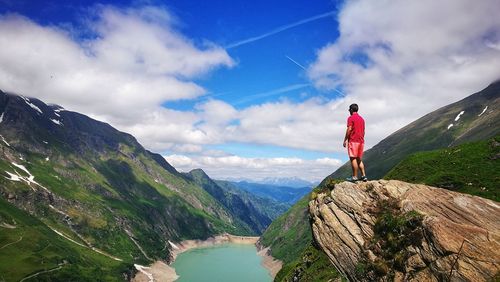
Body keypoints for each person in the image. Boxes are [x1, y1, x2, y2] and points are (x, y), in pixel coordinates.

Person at [343, 103, 367, 182]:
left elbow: (349, 129)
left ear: (351, 110)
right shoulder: (362, 119)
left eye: (349, 109)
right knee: (359, 159)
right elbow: (363, 131)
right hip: (361, 141)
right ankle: (364, 176)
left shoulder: (351, 118)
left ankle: (354, 176)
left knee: (353, 158)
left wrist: (345, 140)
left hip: (353, 140)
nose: (349, 111)